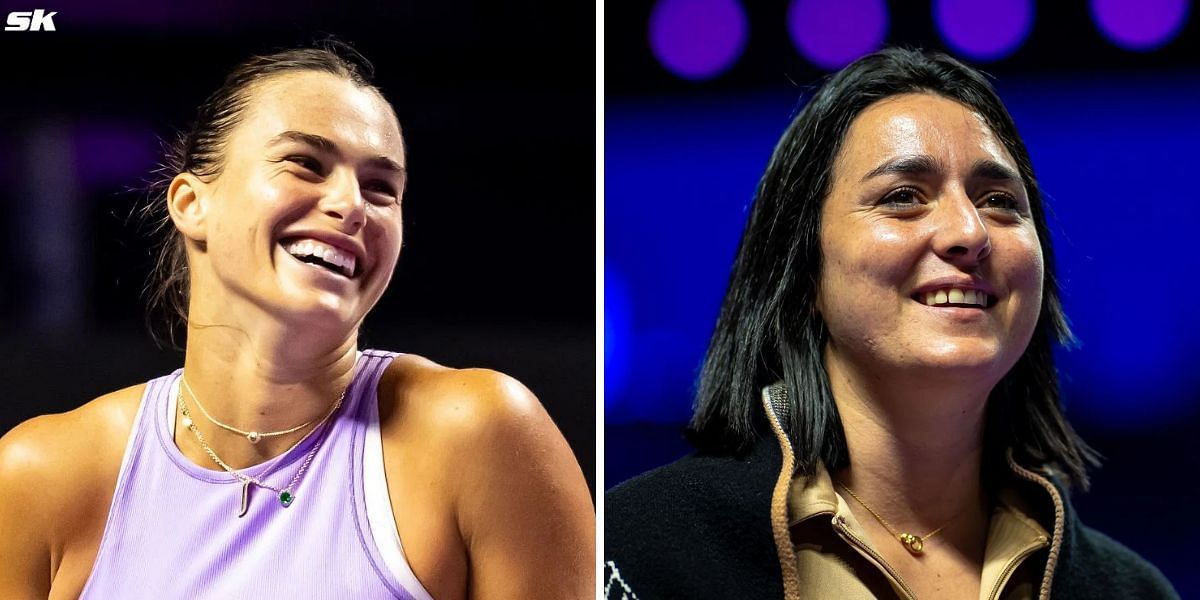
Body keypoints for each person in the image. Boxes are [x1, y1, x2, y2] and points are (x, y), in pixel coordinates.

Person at [0, 41, 594, 598]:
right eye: (306, 163)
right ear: (190, 203)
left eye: (382, 188)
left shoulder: (482, 435)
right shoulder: (36, 477)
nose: (351, 205)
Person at [604, 48, 1177, 599]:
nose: (969, 232)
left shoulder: (1132, 590)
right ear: (803, 275)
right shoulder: (640, 549)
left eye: (1000, 200)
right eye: (904, 196)